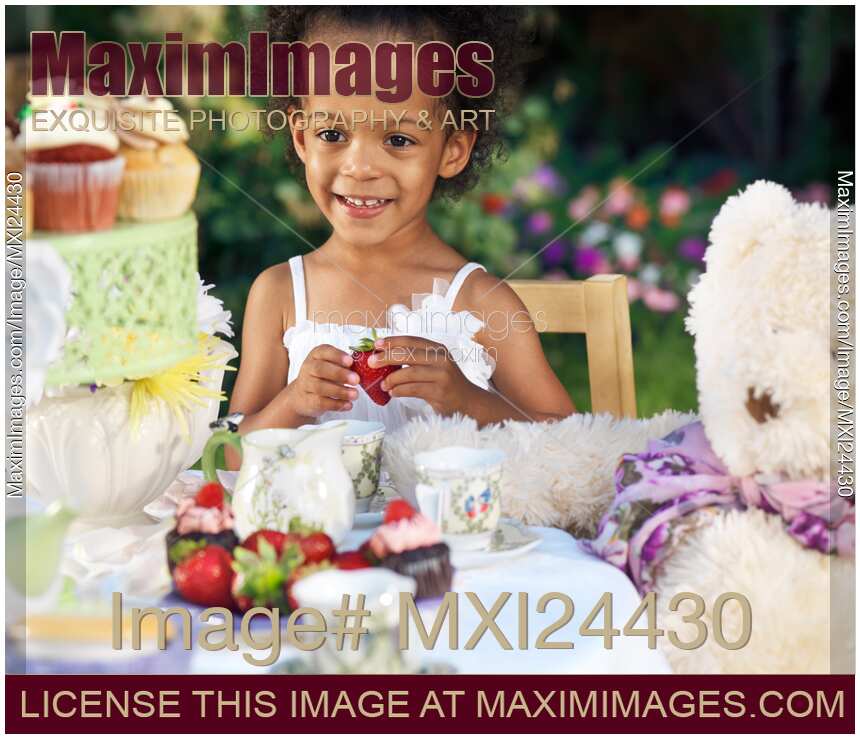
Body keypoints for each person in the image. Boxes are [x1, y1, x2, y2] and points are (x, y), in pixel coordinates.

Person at [228, 7, 575, 456]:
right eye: (332, 134)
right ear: (300, 137)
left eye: (398, 140)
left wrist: (467, 400)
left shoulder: (479, 302)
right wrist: (293, 403)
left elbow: (570, 440)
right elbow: (231, 456)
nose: (359, 168)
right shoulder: (278, 294)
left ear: (452, 150)